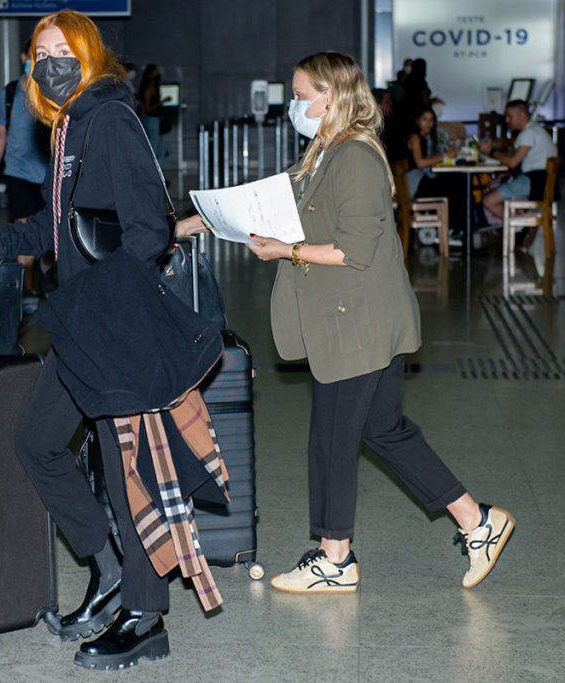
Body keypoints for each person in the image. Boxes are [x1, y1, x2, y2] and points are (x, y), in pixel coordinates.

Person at [178, 52, 514, 594]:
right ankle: (480, 522)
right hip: (362, 317)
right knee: (383, 429)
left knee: (332, 436)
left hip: (358, 322)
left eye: (301, 95)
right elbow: (273, 196)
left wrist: (288, 250)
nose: (294, 105)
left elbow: (353, 251)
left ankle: (335, 559)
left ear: (330, 96)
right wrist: (199, 222)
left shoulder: (354, 156)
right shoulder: (324, 150)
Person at [0, 10, 223, 670]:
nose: (50, 61)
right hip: (80, 321)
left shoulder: (108, 117)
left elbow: (149, 232)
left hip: (109, 324)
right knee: (39, 442)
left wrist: (111, 299)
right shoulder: (68, 125)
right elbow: (53, 227)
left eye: (62, 49)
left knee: (119, 463)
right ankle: (107, 569)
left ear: (88, 53)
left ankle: (145, 614)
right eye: (39, 53)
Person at [0, 41, 51, 314]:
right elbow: (0, 133)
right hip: (18, 173)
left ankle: (45, 269)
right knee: (25, 231)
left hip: (50, 175)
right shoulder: (9, 92)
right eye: (33, 55)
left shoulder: (53, 91)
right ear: (23, 56)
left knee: (49, 236)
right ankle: (27, 289)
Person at [479, 100, 557, 229]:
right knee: (498, 186)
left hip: (534, 182)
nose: (507, 120)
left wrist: (491, 152)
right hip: (542, 182)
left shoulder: (528, 133)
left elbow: (513, 162)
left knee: (488, 200)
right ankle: (519, 227)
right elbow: (513, 154)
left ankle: (517, 226)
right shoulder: (536, 130)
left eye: (510, 116)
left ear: (522, 116)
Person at [405, 107, 465, 236]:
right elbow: (420, 163)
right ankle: (454, 227)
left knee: (458, 179)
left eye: (431, 120)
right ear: (417, 121)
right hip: (415, 184)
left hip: (424, 180)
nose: (428, 123)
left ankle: (456, 226)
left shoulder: (428, 138)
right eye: (424, 120)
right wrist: (444, 156)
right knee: (456, 183)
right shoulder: (415, 138)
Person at [137, 64, 168, 162]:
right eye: (155, 71)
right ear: (150, 74)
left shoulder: (154, 87)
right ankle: (152, 175)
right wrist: (161, 102)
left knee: (160, 149)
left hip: (154, 119)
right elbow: (148, 109)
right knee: (154, 149)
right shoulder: (148, 89)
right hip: (151, 120)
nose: (158, 73)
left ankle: (157, 175)